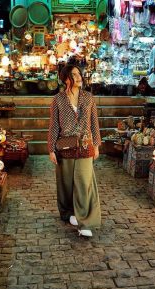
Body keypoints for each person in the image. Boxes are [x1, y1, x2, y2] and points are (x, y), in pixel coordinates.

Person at [47, 65, 102, 237]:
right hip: (65, 146)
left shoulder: (88, 97)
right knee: (66, 183)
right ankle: (68, 212)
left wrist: (97, 145)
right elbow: (54, 125)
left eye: (79, 74)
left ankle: (85, 222)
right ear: (65, 79)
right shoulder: (58, 99)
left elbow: (94, 123)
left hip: (85, 145)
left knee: (84, 184)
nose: (79, 77)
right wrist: (51, 149)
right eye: (74, 75)